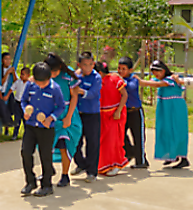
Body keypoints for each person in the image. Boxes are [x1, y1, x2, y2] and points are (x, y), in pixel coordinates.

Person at [20, 61, 65, 197]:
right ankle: (30, 182)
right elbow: (23, 101)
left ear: (49, 78)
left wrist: (51, 118)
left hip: (46, 128)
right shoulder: (30, 85)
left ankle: (47, 185)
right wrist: (25, 112)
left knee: (45, 156)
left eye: (43, 83)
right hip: (31, 126)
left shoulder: (55, 88)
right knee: (25, 152)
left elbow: (61, 107)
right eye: (38, 82)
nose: (40, 85)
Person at [138, 60, 190, 169]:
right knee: (165, 130)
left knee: (176, 130)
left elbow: (157, 84)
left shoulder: (171, 79)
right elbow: (155, 81)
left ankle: (183, 158)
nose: (155, 75)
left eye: (157, 72)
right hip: (164, 108)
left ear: (163, 71)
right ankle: (172, 155)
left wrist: (142, 82)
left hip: (175, 108)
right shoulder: (160, 79)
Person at [44, 53, 82, 187]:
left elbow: (74, 97)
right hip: (50, 115)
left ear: (60, 67)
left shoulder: (68, 76)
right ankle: (48, 169)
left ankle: (65, 175)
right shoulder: (44, 75)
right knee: (45, 145)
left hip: (66, 114)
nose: (53, 74)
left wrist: (69, 117)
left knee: (63, 145)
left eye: (54, 71)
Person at [70, 51, 103, 183]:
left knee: (92, 143)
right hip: (78, 114)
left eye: (90, 64)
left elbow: (93, 94)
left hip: (92, 114)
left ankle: (91, 172)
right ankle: (81, 164)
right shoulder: (77, 76)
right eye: (85, 65)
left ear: (93, 64)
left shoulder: (96, 78)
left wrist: (81, 91)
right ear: (79, 65)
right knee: (75, 142)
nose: (88, 67)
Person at [97, 61, 129, 176]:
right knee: (103, 142)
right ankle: (104, 165)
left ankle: (116, 164)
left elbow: (124, 95)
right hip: (101, 114)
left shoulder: (115, 79)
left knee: (113, 141)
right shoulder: (97, 81)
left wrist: (118, 111)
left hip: (114, 114)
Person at [118, 56, 149, 169]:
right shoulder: (119, 80)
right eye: (119, 68)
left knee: (138, 137)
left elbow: (129, 87)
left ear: (130, 70)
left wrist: (119, 81)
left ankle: (140, 161)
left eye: (124, 69)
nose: (120, 71)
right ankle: (130, 152)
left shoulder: (134, 79)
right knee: (120, 135)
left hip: (135, 112)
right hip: (124, 112)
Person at [8, 66, 29, 140]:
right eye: (21, 74)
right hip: (17, 103)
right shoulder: (18, 82)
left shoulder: (30, 84)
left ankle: (27, 136)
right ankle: (15, 135)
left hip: (26, 104)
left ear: (28, 75)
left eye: (23, 74)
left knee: (25, 120)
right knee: (17, 119)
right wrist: (7, 96)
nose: (21, 76)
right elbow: (11, 89)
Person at [1, 52, 18, 133]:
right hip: (2, 91)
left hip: (9, 92)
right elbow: (1, 82)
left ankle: (9, 127)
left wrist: (13, 73)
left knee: (11, 108)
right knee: (4, 108)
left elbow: (16, 81)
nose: (8, 61)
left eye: (9, 59)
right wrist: (7, 73)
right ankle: (6, 128)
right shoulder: (0, 69)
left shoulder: (12, 68)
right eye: (6, 59)